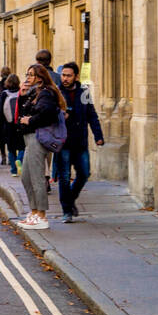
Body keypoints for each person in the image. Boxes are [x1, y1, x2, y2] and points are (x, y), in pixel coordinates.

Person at [16, 63, 65, 230]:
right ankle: (34, 212)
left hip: (38, 139)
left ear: (39, 77)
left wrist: (30, 120)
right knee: (26, 177)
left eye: (31, 75)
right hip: (30, 138)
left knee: (36, 178)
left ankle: (42, 216)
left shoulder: (47, 93)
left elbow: (47, 114)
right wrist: (22, 95)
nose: (28, 78)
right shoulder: (35, 93)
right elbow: (25, 110)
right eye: (27, 74)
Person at [57, 62, 105, 223]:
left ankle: (70, 200)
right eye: (63, 75)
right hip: (63, 142)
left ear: (76, 77)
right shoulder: (56, 92)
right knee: (64, 177)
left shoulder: (84, 92)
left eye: (68, 75)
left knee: (84, 173)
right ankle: (67, 211)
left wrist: (98, 135)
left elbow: (92, 115)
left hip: (80, 141)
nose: (65, 78)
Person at [0, 73, 24, 175]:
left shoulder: (4, 94)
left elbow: (0, 111)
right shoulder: (21, 92)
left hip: (8, 124)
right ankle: (19, 159)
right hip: (20, 124)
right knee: (22, 146)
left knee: (11, 148)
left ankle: (14, 170)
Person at [0, 67, 12, 166]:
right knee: (10, 136)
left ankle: (3, 156)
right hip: (11, 114)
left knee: (1, 136)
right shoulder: (13, 83)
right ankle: (11, 157)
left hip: (0, 113)